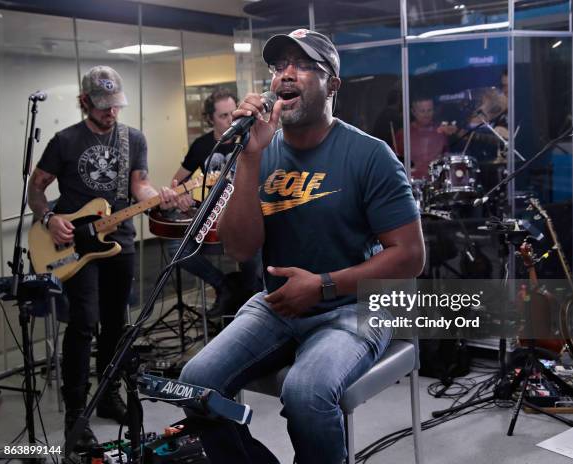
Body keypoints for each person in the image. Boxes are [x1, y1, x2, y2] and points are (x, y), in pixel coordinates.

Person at [179, 29, 424, 464]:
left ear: (333, 84)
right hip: (277, 304)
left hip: (354, 306)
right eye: (279, 67)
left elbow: (410, 256)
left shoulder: (370, 155)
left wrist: (324, 286)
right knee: (195, 383)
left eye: (304, 65)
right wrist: (250, 158)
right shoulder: (257, 152)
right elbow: (240, 248)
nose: (286, 75)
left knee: (306, 393)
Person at [28, 66, 189, 451]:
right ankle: (75, 412)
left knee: (116, 324)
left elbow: (139, 185)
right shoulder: (63, 141)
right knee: (83, 322)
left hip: (120, 243)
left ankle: (110, 394)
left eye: (115, 106)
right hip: (75, 246)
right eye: (102, 107)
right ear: (85, 102)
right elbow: (36, 188)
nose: (110, 113)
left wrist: (159, 196)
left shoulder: (132, 138)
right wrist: (48, 219)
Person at [169, 88, 261, 317]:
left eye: (233, 113)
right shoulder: (201, 146)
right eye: (223, 116)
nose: (231, 120)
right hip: (209, 225)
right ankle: (224, 286)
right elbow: (176, 183)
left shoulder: (251, 141)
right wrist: (180, 197)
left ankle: (251, 299)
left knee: (254, 255)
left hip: (243, 222)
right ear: (210, 119)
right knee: (176, 250)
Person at [395, 96, 450, 179]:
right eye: (422, 111)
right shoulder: (403, 133)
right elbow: (395, 161)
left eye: (429, 110)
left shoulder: (441, 131)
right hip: (412, 183)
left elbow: (446, 158)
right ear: (413, 112)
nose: (426, 114)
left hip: (436, 182)